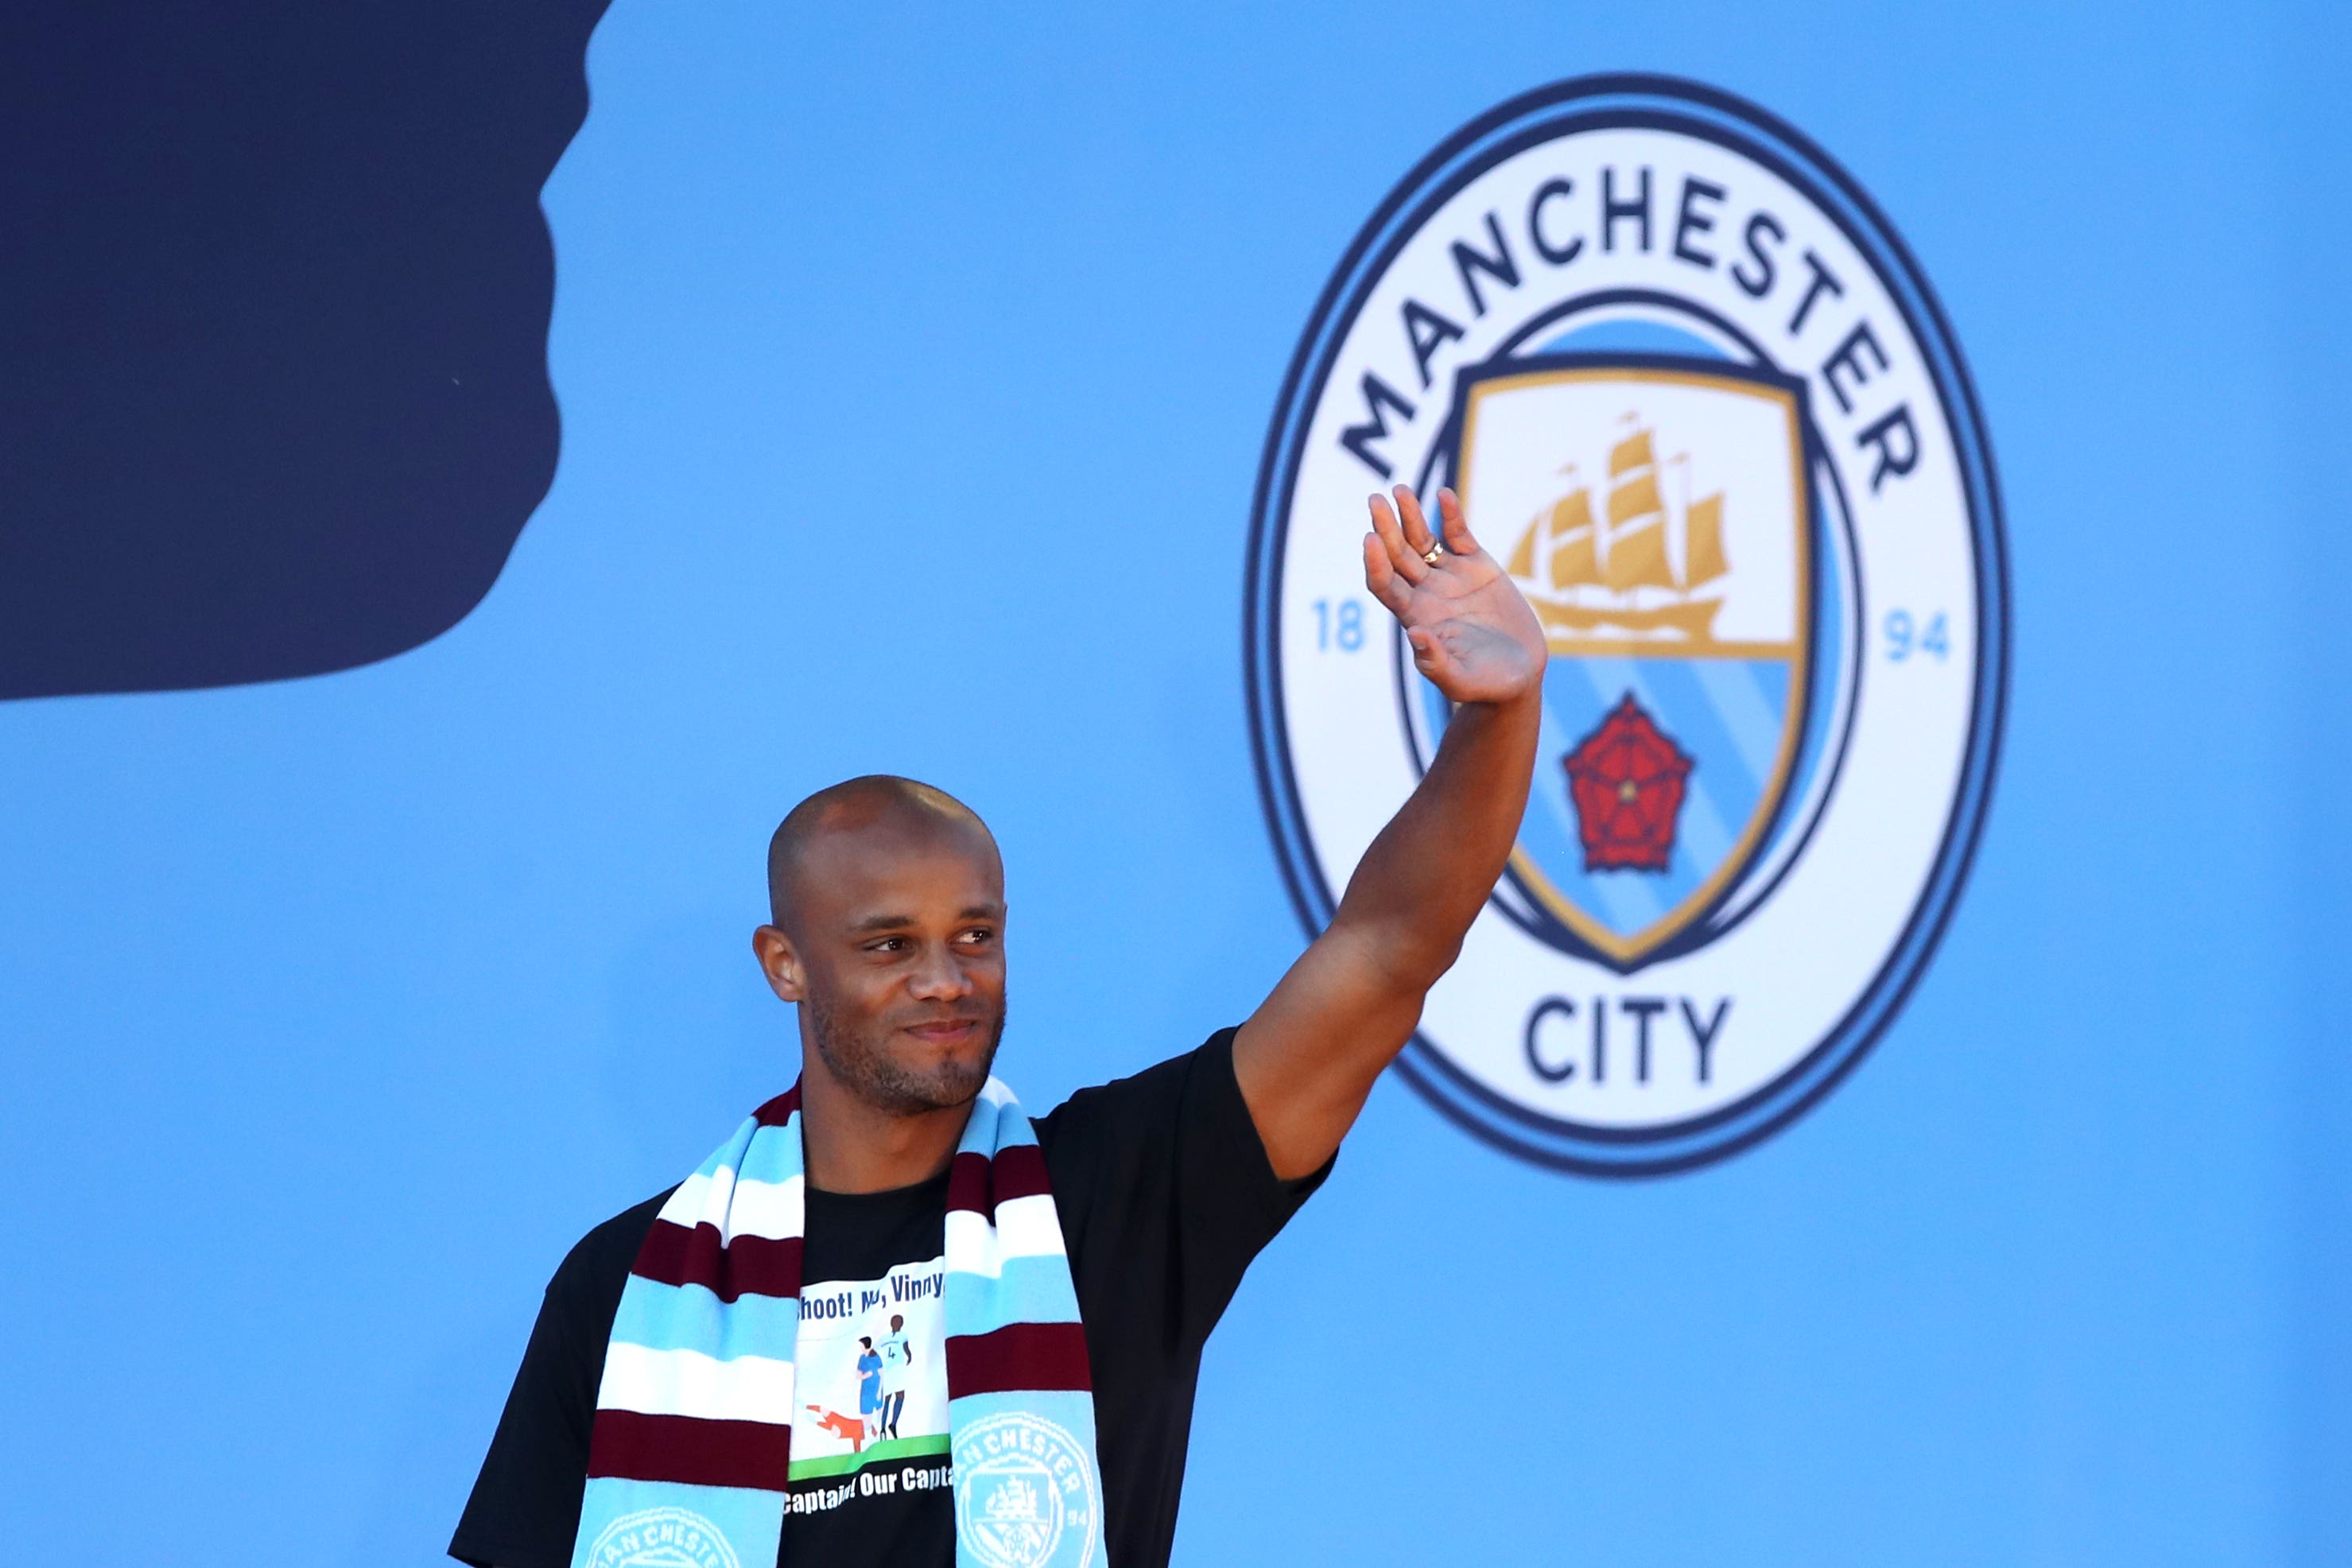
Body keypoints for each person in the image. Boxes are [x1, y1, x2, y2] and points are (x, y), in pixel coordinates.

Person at [448, 485, 1546, 1568]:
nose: (944, 980)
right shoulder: (634, 1281)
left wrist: (1495, 719)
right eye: (888, 946)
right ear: (785, 965)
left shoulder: (1119, 1195)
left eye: (974, 937)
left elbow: (1386, 949)